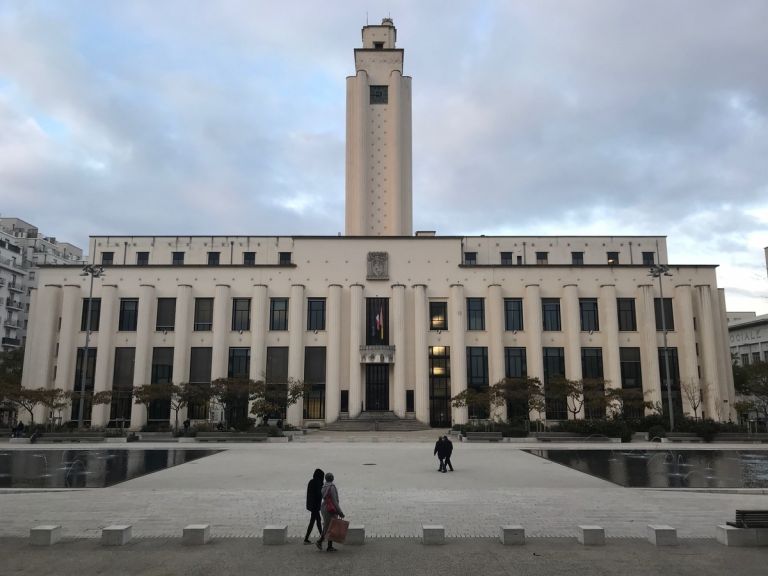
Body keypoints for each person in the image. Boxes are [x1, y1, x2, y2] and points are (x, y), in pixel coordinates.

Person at [316, 472, 344, 552]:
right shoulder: (332, 487)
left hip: (324, 507)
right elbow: (334, 501)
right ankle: (320, 541)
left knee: (329, 526)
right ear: (332, 478)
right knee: (329, 527)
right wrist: (340, 512)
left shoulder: (323, 486)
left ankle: (329, 546)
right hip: (330, 509)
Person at [304, 468, 324, 544]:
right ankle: (321, 536)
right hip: (315, 505)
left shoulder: (311, 481)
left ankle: (321, 536)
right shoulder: (317, 483)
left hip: (312, 505)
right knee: (316, 521)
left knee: (315, 521)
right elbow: (319, 494)